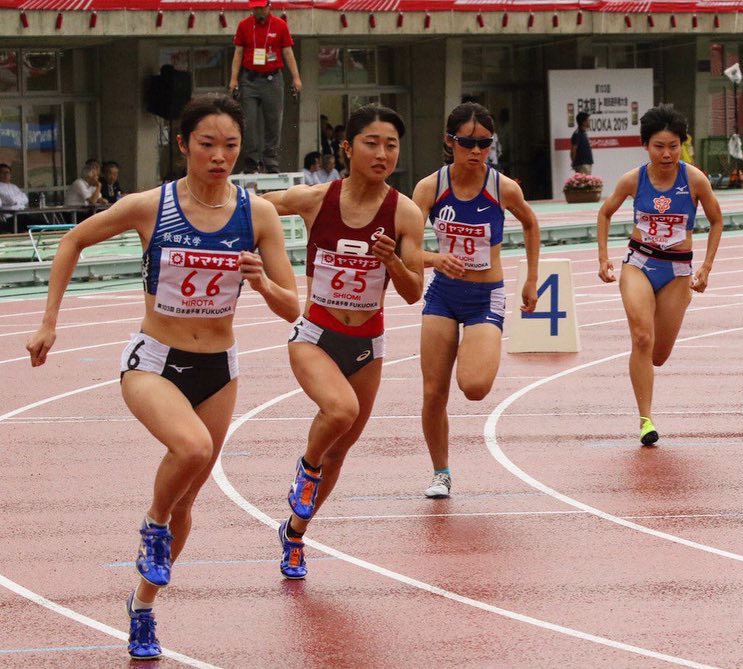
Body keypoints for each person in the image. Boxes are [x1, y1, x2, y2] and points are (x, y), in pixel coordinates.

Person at [25, 94, 300, 659]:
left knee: (188, 504)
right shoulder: (151, 206)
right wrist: (49, 320)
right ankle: (152, 524)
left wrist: (264, 283)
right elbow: (72, 241)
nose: (219, 156)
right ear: (182, 146)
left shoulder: (259, 215)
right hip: (154, 360)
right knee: (192, 448)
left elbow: (293, 307)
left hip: (219, 369)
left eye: (230, 146)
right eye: (207, 145)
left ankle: (143, 606)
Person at [262, 104, 423, 578]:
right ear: (348, 148)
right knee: (340, 411)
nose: (382, 153)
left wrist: (392, 262)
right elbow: (250, 208)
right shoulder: (314, 199)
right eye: (371, 143)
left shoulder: (405, 213)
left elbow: (413, 292)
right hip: (315, 333)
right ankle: (306, 468)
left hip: (367, 343)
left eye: (391, 145)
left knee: (341, 450)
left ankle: (294, 534)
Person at [413, 102, 540, 498]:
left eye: (484, 143)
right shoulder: (429, 188)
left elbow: (532, 223)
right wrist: (436, 259)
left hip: (486, 295)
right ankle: (441, 472)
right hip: (443, 294)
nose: (475, 151)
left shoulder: (502, 188)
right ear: (449, 141)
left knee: (474, 386)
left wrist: (531, 280)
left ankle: (475, 347)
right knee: (434, 391)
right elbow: (406, 248)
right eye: (467, 142)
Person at [596, 104, 724, 446]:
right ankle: (645, 420)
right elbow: (605, 213)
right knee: (641, 336)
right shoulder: (633, 180)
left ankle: (647, 395)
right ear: (645, 146)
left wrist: (706, 267)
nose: (666, 154)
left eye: (673, 146)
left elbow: (716, 220)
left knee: (658, 354)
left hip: (678, 270)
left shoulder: (694, 179)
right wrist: (603, 257)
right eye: (659, 146)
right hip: (639, 263)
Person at [229, 0, 302, 173]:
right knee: (248, 121)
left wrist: (296, 78)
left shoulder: (280, 25)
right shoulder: (244, 25)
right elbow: (238, 52)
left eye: (261, 7)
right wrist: (234, 79)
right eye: (255, 8)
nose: (258, 11)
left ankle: (271, 160)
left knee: (274, 121)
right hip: (250, 79)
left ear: (269, 6)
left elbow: (287, 52)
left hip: (272, 79)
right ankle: (251, 161)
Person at [0, 162, 28, 232]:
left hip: (22, 215)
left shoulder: (13, 187)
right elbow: (11, 200)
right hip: (10, 217)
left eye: (8, 173)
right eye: (3, 173)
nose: (6, 175)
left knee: (42, 223)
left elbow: (26, 199)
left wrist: (16, 201)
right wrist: (18, 200)